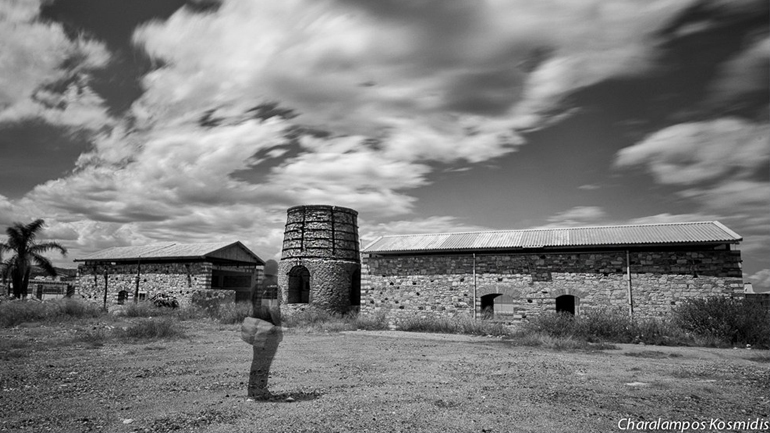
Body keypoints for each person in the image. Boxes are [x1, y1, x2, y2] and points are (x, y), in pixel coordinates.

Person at [247, 259, 283, 401]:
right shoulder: (273, 286)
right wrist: (278, 326)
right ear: (275, 271)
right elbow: (272, 308)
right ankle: (260, 392)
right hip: (268, 328)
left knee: (256, 360)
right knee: (265, 361)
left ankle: (252, 392)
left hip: (256, 326)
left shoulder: (257, 286)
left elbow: (251, 307)